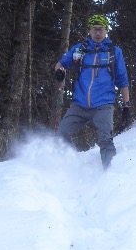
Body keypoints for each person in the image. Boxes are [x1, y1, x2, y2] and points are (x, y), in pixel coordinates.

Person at [54, 14, 130, 170]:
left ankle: (111, 174)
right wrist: (59, 71)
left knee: (105, 140)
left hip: (103, 105)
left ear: (106, 31)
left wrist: (126, 106)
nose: (97, 33)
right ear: (89, 30)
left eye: (101, 29)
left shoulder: (114, 52)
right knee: (61, 134)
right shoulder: (79, 50)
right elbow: (60, 64)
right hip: (80, 104)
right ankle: (72, 165)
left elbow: (123, 81)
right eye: (94, 29)